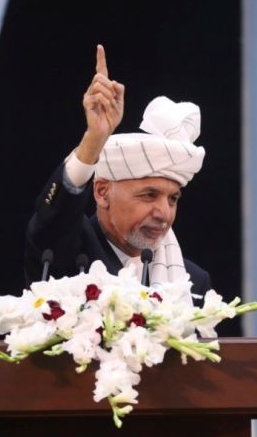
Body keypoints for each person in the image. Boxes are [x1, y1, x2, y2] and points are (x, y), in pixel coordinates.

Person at [24, 45, 211, 299]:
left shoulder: (193, 283)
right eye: (148, 195)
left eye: (173, 198)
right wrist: (94, 140)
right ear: (102, 192)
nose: (163, 213)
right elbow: (53, 220)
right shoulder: (69, 253)